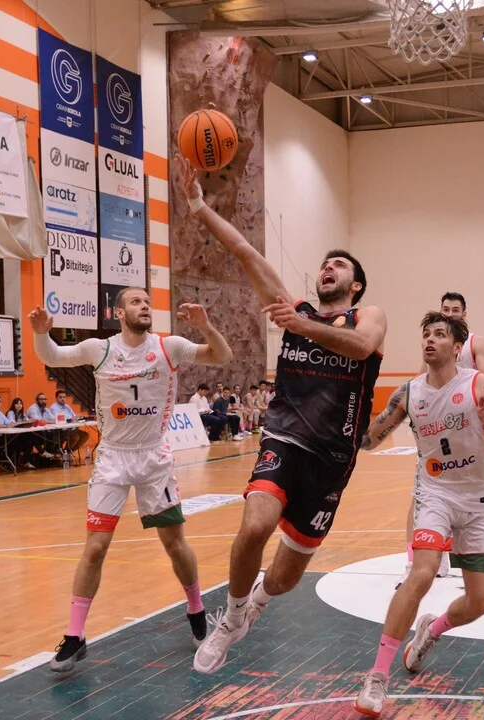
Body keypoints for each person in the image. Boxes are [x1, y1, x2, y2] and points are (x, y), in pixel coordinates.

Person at [178, 156, 387, 675]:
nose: (328, 267)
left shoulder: (366, 316)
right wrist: (199, 206)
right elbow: (245, 251)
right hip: (285, 440)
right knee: (255, 527)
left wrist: (300, 325)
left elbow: (362, 347)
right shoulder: (296, 309)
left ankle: (259, 602)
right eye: (326, 263)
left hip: (332, 461)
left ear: (356, 286)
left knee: (287, 576)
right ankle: (232, 618)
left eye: (340, 265)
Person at [30, 287, 233, 673]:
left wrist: (206, 326)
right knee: (95, 548)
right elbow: (52, 356)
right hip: (113, 458)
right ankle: (75, 636)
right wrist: (41, 333)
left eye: (147, 301)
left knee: (174, 544)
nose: (144, 306)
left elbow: (222, 356)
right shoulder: (100, 349)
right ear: (119, 313)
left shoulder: (169, 346)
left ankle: (195, 609)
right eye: (136, 302)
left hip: (154, 458)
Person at [353, 313, 484, 717]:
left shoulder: (479, 386)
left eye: (440, 335)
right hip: (435, 495)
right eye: (426, 334)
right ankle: (377, 677)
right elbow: (368, 440)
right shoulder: (409, 393)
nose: (430, 340)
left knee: (480, 602)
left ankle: (431, 630)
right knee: (422, 573)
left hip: (481, 502)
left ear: (457, 347)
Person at [398, 291, 484, 587]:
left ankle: (466, 555)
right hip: (437, 432)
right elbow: (418, 382)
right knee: (422, 495)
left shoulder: (475, 343)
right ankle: (414, 560)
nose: (450, 313)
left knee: (469, 496)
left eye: (455, 309)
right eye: (446, 309)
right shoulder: (434, 346)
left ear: (464, 314)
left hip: (469, 432)